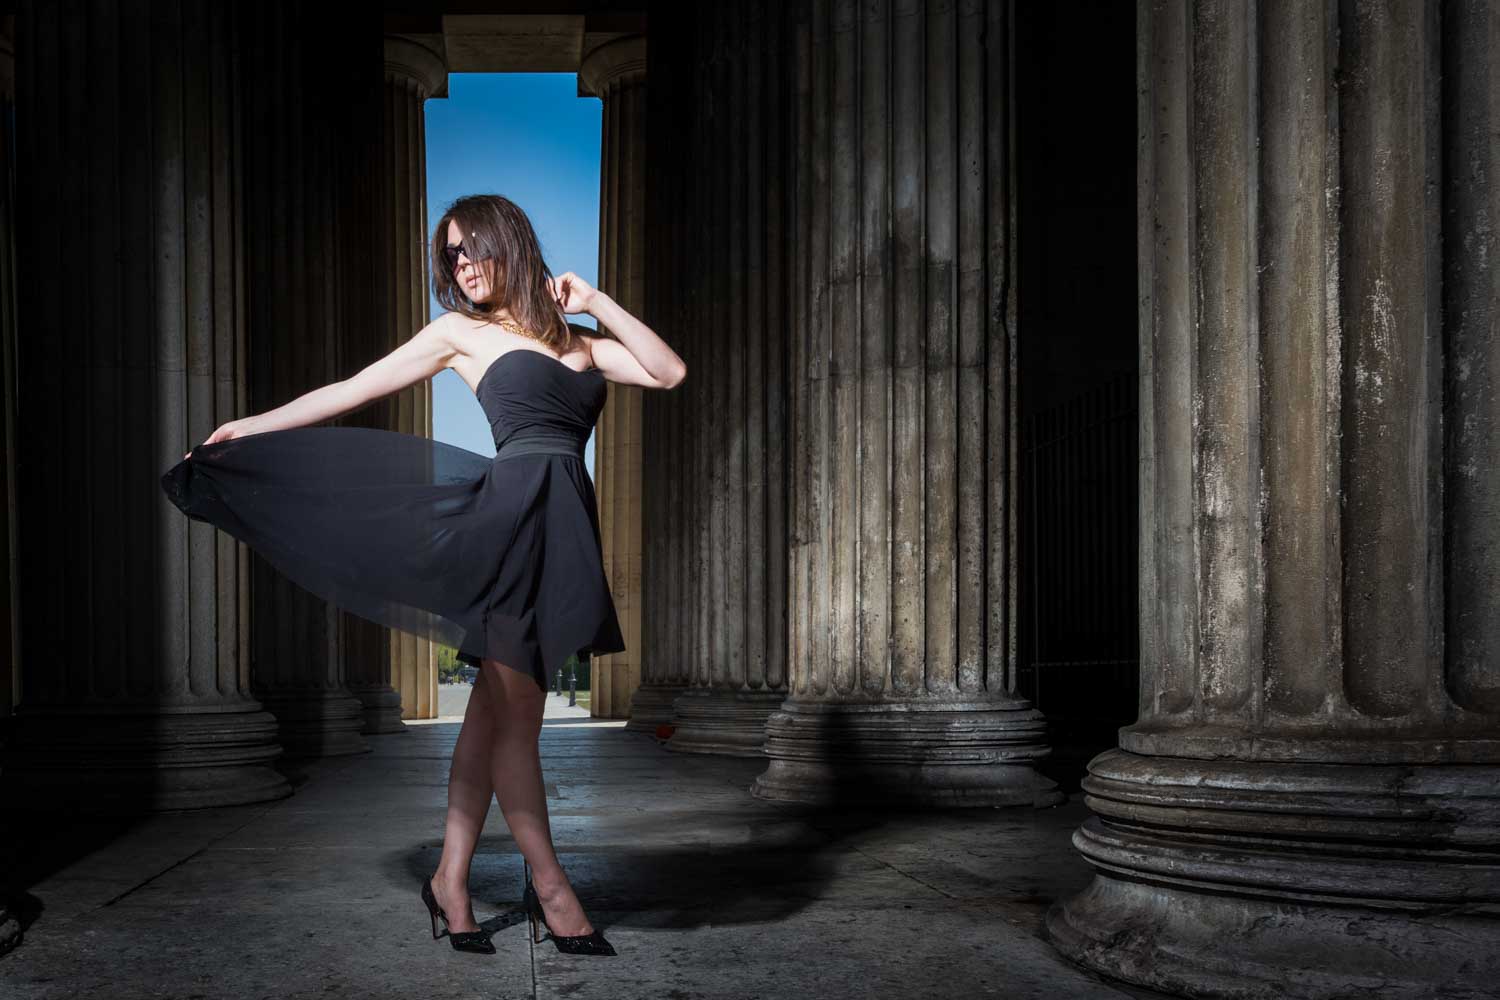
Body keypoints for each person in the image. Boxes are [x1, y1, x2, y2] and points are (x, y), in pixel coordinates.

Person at [161, 194, 687, 957]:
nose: (462, 265)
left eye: (472, 247)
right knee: (519, 723)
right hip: (506, 529)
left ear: (511, 243)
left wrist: (597, 299)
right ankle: (553, 889)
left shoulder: (580, 342)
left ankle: (449, 882)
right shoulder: (457, 334)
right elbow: (354, 388)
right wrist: (252, 426)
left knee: (488, 722)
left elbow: (668, 372)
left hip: (564, 525)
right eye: (451, 256)